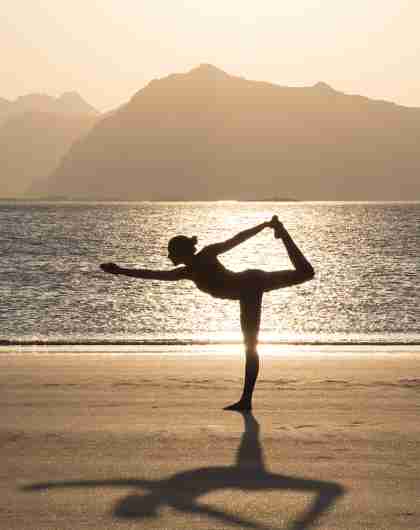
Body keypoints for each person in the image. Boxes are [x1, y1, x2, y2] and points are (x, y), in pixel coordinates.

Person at [100, 215, 314, 411]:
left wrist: (263, 226)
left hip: (250, 285)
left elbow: (237, 238)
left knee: (251, 345)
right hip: (248, 286)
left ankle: (246, 401)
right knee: (304, 275)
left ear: (181, 252)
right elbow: (154, 275)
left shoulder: (207, 254)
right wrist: (120, 271)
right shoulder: (187, 272)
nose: (168, 255)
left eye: (171, 252)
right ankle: (246, 400)